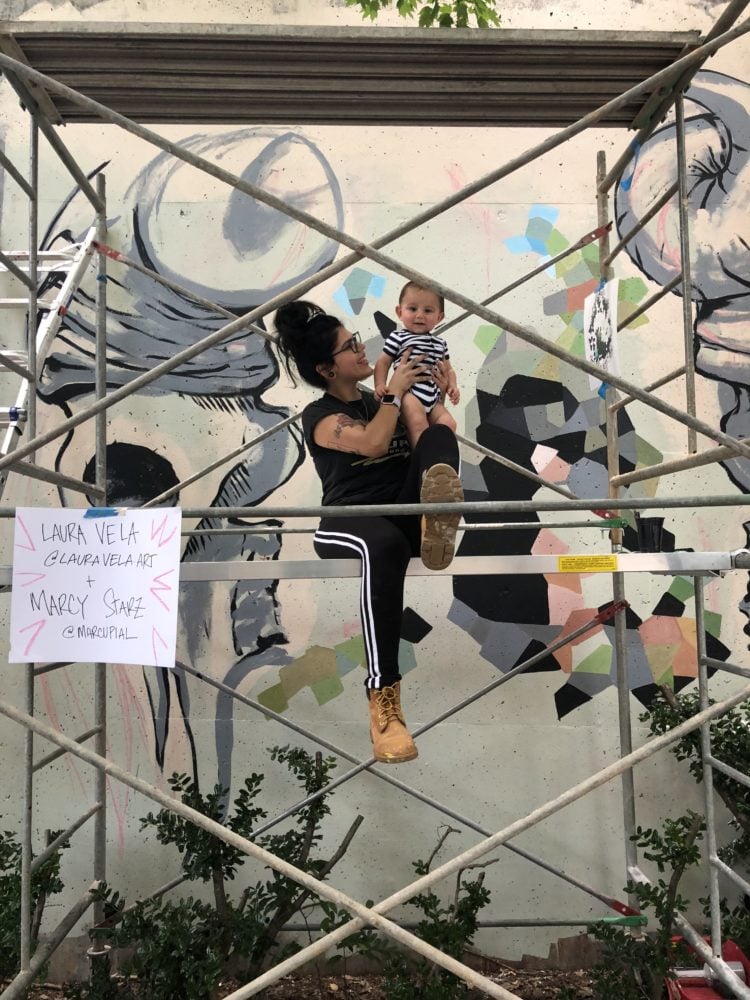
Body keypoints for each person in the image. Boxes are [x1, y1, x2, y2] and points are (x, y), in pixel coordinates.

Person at [275, 299, 464, 764]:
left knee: (440, 437)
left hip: (401, 505)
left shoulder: (378, 396)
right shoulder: (321, 416)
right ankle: (384, 701)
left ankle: (435, 517)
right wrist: (392, 395)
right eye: (349, 348)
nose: (362, 351)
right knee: (382, 545)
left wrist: (438, 394)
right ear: (325, 368)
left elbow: (429, 425)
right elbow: (374, 442)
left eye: (358, 341)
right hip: (350, 517)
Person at [373, 282, 460, 447]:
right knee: (418, 423)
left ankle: (439, 461)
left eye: (428, 311)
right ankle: (423, 463)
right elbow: (383, 362)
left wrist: (453, 386)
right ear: (399, 312)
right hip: (409, 393)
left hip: (433, 397)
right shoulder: (397, 337)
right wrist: (379, 384)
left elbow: (449, 369)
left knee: (449, 424)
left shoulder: (440, 343)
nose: (420, 315)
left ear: (439, 317)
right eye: (412, 309)